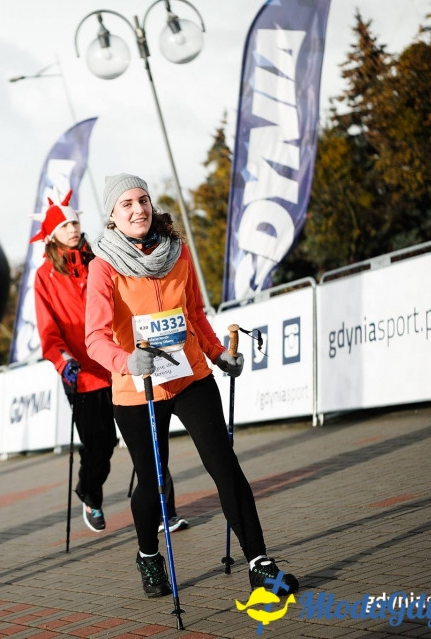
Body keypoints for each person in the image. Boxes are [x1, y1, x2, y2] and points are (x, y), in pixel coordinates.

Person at [84, 174, 299, 598]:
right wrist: (126, 361)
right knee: (154, 482)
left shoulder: (176, 254)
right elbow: (95, 337)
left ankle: (259, 564)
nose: (137, 209)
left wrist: (218, 354)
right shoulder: (103, 267)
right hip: (137, 388)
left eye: (142, 200)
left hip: (189, 377)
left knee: (225, 467)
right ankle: (148, 556)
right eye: (125, 203)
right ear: (112, 216)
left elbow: (195, 315)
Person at [32, 191, 190, 534]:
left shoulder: (103, 256)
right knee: (100, 445)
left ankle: (165, 509)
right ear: (51, 235)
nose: (73, 229)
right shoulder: (44, 276)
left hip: (124, 362)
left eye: (75, 221)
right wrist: (64, 363)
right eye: (64, 225)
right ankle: (90, 493)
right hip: (83, 374)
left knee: (150, 437)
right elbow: (48, 331)